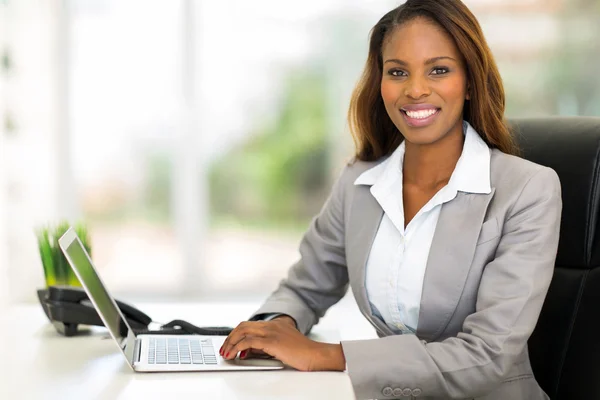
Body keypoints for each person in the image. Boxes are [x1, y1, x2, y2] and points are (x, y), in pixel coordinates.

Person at [219, 0, 562, 399]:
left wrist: (327, 355)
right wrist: (273, 328)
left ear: (470, 82)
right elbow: (304, 288)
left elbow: (487, 354)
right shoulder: (360, 183)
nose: (415, 89)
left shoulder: (527, 190)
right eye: (397, 72)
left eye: (439, 70)